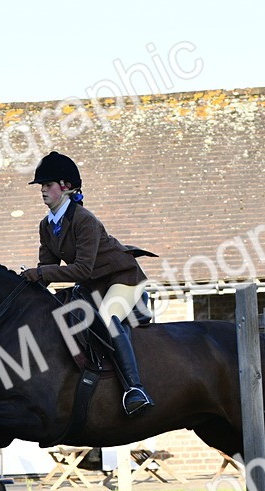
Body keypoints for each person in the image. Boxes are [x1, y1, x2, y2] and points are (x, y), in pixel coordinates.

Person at [22, 151, 156, 415]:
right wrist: (25, 291)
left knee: (108, 316)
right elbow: (47, 271)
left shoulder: (85, 220)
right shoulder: (46, 226)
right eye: (41, 186)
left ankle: (135, 389)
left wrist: (40, 274)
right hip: (93, 286)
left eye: (47, 185)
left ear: (66, 187)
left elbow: (82, 269)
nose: (42, 191)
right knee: (56, 310)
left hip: (121, 279)